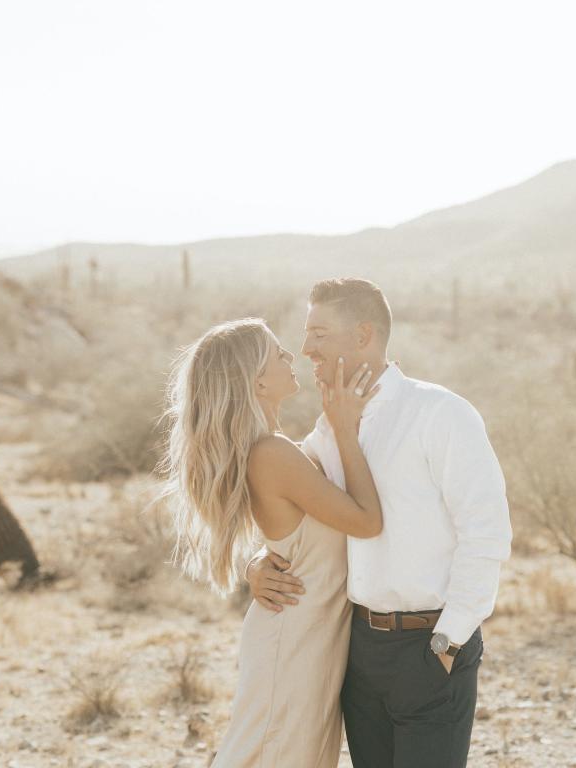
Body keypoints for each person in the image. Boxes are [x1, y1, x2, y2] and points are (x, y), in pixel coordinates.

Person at [247, 278, 513, 768]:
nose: (306, 349)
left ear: (363, 335)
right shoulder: (331, 428)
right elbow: (292, 503)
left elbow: (487, 533)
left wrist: (448, 641)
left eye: (319, 334)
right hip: (358, 648)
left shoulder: (440, 413)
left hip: (430, 644)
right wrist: (256, 561)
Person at [159, 317, 384, 768]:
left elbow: (293, 534)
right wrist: (344, 428)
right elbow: (366, 521)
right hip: (294, 641)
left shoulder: (277, 448)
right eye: (278, 354)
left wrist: (259, 560)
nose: (292, 357)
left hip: (310, 639)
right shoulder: (273, 454)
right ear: (258, 382)